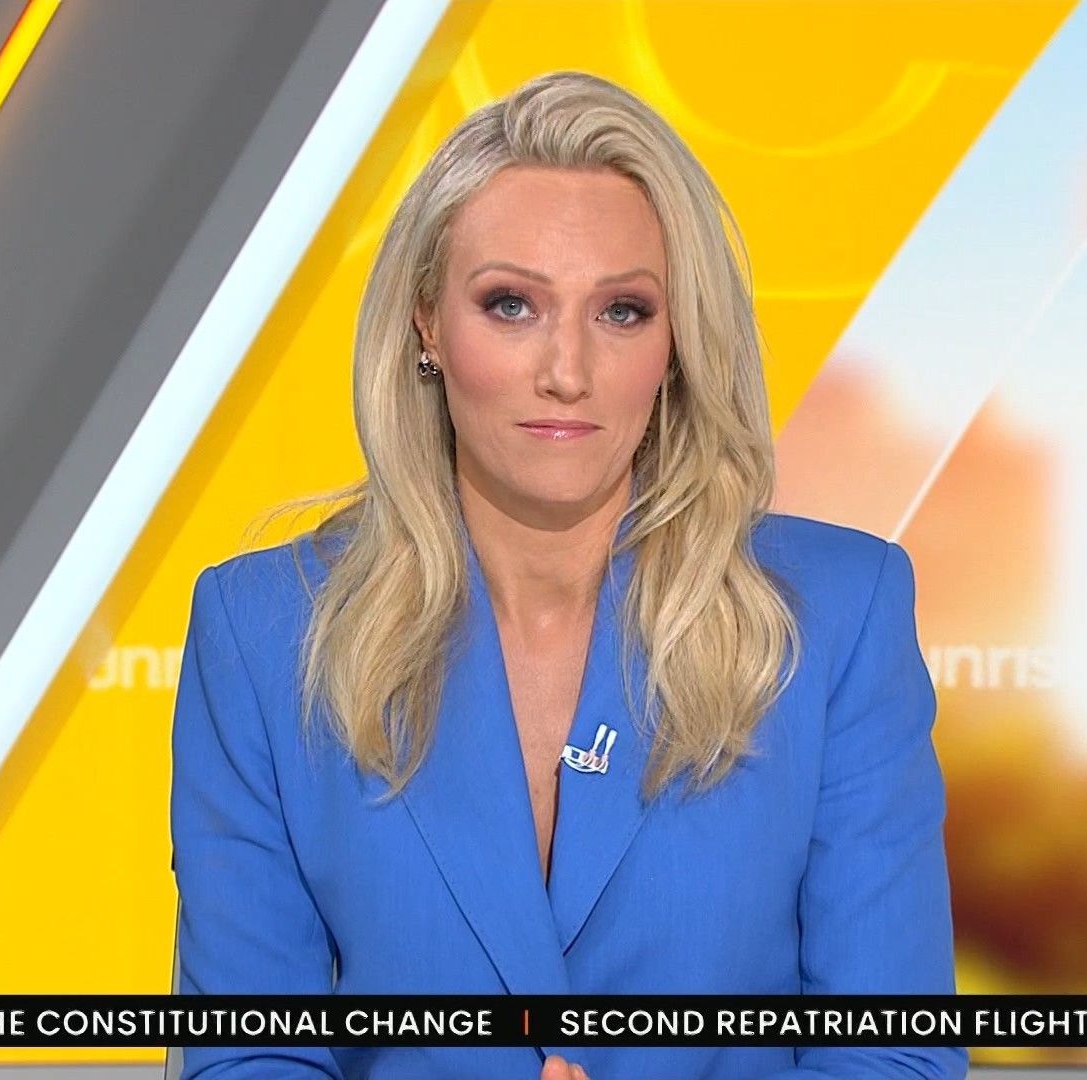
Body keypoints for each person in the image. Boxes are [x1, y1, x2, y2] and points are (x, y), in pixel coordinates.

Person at [169, 69, 965, 1080]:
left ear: (677, 341)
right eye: (511, 305)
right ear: (426, 323)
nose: (568, 372)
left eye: (622, 312)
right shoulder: (263, 632)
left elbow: (895, 1058)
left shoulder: (838, 618)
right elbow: (246, 1059)